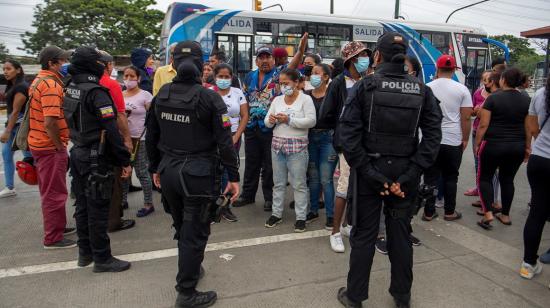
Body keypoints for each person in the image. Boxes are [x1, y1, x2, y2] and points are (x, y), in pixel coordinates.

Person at [336, 32, 442, 308]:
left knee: (364, 235)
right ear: (405, 57)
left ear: (377, 56)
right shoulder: (422, 90)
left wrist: (372, 174)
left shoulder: (364, 86)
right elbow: (433, 138)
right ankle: (402, 296)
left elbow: (348, 136)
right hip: (404, 176)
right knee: (400, 235)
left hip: (371, 172)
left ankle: (355, 296)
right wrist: (409, 174)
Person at [145, 41, 240, 308]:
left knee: (182, 226)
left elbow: (151, 136)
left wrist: (155, 168)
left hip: (169, 173)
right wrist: (234, 177)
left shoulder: (162, 93)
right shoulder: (210, 98)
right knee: (195, 232)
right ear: (202, 67)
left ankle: (192, 268)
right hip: (197, 175)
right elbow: (225, 142)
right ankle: (186, 292)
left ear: (173, 64)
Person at [64, 46, 132, 272]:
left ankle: (85, 253)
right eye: (98, 61)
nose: (102, 65)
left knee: (82, 205)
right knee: (97, 210)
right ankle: (102, 259)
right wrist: (124, 159)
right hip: (95, 157)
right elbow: (111, 131)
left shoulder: (71, 86)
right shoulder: (97, 92)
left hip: (78, 152)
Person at [234, 33, 308, 211]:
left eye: (268, 57)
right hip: (251, 127)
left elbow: (294, 64)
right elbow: (244, 100)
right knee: (251, 163)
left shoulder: (278, 74)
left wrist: (300, 49)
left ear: (273, 60)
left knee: (269, 166)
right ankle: (247, 195)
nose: (265, 60)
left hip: (270, 127)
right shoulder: (249, 76)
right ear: (256, 60)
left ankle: (268, 198)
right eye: (261, 57)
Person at [319, 41, 370, 253]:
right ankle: (335, 232)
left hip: (365, 141)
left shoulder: (368, 81)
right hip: (347, 143)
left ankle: (347, 225)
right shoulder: (339, 83)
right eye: (361, 56)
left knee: (357, 186)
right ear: (351, 60)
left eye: (367, 55)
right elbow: (326, 113)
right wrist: (341, 130)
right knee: (344, 185)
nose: (366, 60)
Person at [29, 46, 76, 249]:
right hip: (49, 146)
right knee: (54, 193)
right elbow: (50, 122)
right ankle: (53, 237)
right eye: (63, 61)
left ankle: (57, 226)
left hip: (40, 143)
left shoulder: (39, 80)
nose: (65, 64)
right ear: (52, 63)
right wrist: (59, 147)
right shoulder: (50, 85)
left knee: (50, 190)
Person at [475, 68, 531, 229]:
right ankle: (505, 215)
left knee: (484, 178)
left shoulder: (493, 99)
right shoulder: (526, 100)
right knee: (507, 179)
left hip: (493, 144)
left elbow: (483, 125)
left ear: (504, 80)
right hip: (517, 146)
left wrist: (477, 143)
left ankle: (488, 214)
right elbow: (528, 127)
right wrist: (527, 147)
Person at [264, 68, 316, 232]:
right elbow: (267, 122)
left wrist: (289, 120)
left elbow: (311, 121)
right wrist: (271, 120)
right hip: (277, 146)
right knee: (278, 183)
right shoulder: (277, 100)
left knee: (299, 183)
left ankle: (301, 217)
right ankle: (276, 214)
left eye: (286, 83)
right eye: (281, 83)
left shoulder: (305, 99)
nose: (283, 86)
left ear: (296, 83)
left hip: (297, 146)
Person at [422, 55, 472, 222]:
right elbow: (466, 118)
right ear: (453, 70)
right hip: (453, 140)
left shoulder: (426, 87)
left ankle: (428, 212)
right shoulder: (462, 89)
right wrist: (465, 139)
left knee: (430, 177)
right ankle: (449, 212)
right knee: (451, 176)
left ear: (437, 68)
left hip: (431, 140)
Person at [97, 50, 136, 232]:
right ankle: (114, 221)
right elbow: (120, 115)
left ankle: (97, 218)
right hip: (110, 139)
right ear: (108, 65)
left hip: (90, 142)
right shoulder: (111, 85)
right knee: (114, 182)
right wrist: (127, 140)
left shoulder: (81, 84)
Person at [211, 63, 249, 222]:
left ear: (232, 77)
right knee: (213, 170)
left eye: (227, 77)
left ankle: (225, 206)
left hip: (232, 135)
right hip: (213, 137)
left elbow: (245, 115)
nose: (224, 79)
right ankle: (212, 207)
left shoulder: (237, 92)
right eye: (220, 76)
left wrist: (237, 135)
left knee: (229, 170)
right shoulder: (208, 92)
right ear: (215, 77)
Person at [521, 76, 550, 280]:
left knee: (537, 213)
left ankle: (528, 264)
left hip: (539, 159)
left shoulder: (540, 94)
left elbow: (531, 125)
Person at [304, 63, 337, 229]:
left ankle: (331, 216)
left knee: (326, 178)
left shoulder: (333, 95)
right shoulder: (306, 95)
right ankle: (314, 210)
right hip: (310, 138)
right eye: (312, 73)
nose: (313, 76)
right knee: (314, 178)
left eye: (317, 73)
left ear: (326, 77)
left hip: (328, 139)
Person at [121, 66, 155, 217]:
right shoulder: (120, 95)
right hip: (123, 139)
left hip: (140, 139)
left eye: (132, 76)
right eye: (126, 76)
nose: (128, 79)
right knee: (123, 172)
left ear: (139, 78)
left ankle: (148, 204)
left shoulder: (145, 95)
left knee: (142, 172)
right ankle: (122, 200)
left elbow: (153, 117)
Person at [1, 60, 32, 198]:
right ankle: (9, 187)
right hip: (13, 126)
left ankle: (43, 180)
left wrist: (7, 131)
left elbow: (15, 111)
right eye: (4, 69)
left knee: (29, 157)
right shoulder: (12, 86)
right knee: (6, 155)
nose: (5, 71)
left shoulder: (21, 87)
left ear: (18, 70)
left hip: (20, 128)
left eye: (8, 69)